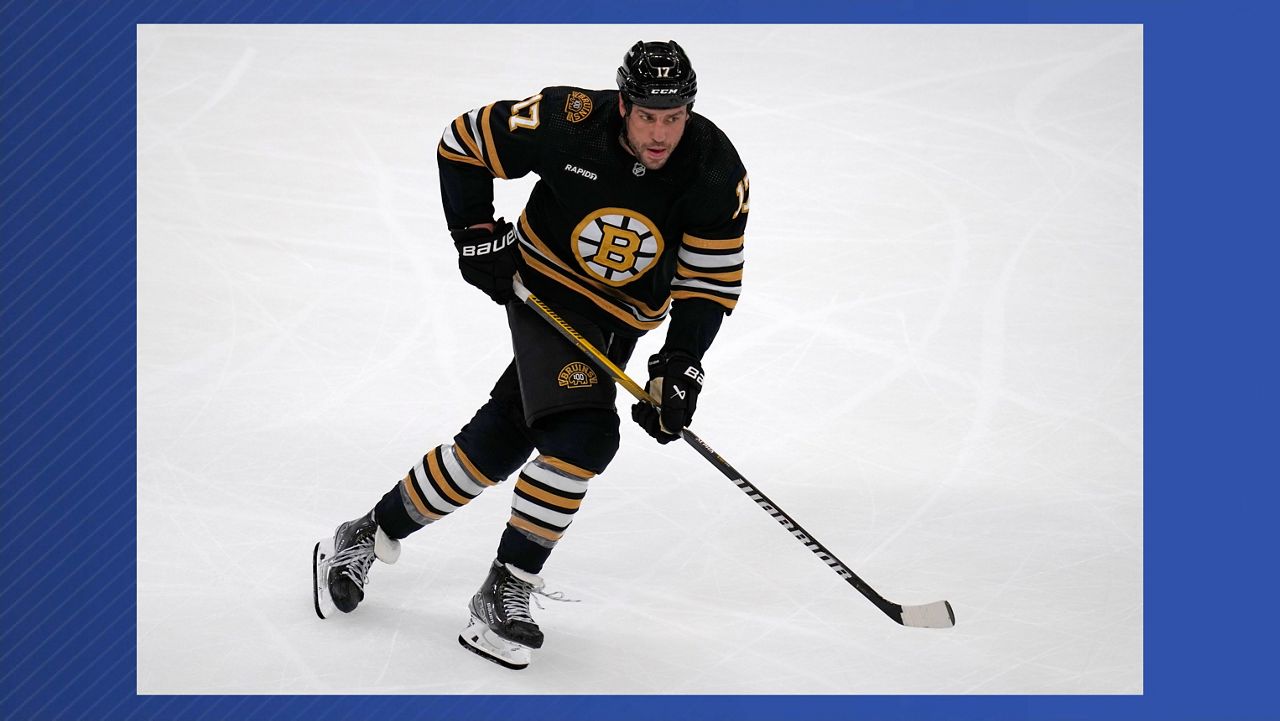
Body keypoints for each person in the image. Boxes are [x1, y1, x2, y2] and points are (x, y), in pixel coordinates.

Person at [312, 40, 750, 670]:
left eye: (674, 116)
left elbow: (709, 282)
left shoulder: (713, 168)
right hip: (544, 294)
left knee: (500, 439)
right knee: (584, 435)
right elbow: (462, 144)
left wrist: (679, 364)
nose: (661, 133)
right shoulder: (569, 120)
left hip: (620, 322)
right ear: (623, 104)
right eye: (649, 115)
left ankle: (365, 533)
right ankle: (503, 590)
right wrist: (476, 235)